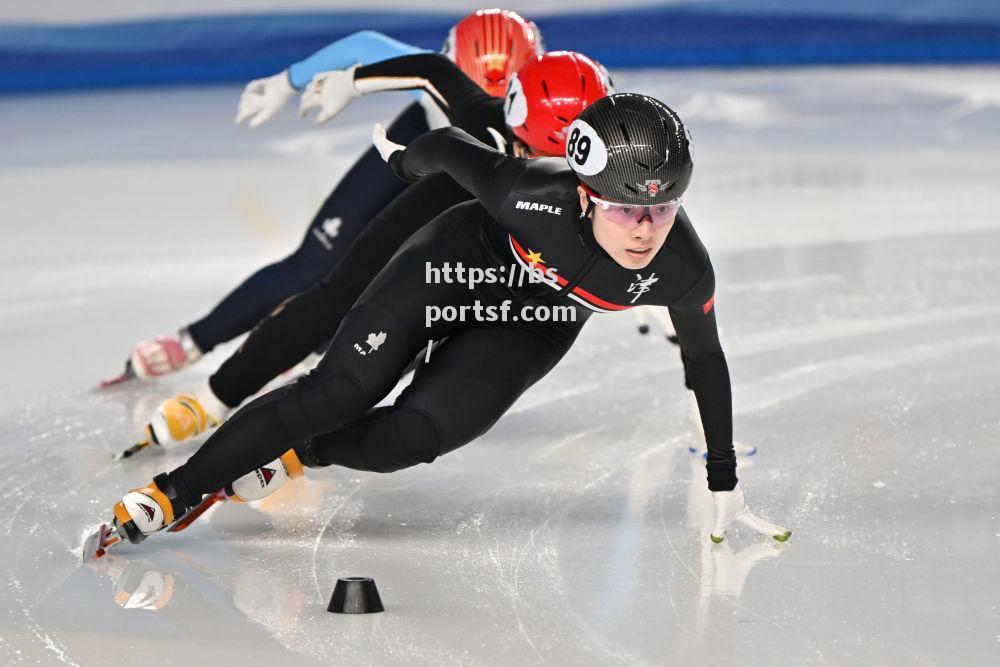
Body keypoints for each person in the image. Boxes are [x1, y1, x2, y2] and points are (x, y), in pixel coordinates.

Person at [93, 93, 789, 557]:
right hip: (459, 263)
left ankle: (300, 454)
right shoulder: (532, 195)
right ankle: (176, 489)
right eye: (626, 210)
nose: (645, 231)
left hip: (535, 324)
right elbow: (451, 148)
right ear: (584, 192)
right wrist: (398, 161)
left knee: (413, 437)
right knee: (341, 388)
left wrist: (721, 477)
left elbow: (706, 364)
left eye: (663, 211)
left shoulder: (684, 270)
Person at [134, 50, 611, 454]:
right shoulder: (484, 120)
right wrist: (350, 81)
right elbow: (433, 69)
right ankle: (215, 396)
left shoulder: (609, 177)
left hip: (509, 260)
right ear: (511, 118)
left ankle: (308, 443)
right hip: (442, 212)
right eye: (529, 152)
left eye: (564, 166)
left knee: (419, 348)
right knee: (334, 297)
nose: (542, 172)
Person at [111, 9, 542, 384]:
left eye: (502, 106)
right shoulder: (431, 75)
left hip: (471, 178)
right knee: (314, 262)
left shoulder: (538, 111)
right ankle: (195, 339)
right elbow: (365, 45)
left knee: (404, 286)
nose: (479, 110)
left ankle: (318, 363)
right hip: (412, 144)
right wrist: (288, 80)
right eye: (470, 96)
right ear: (450, 66)